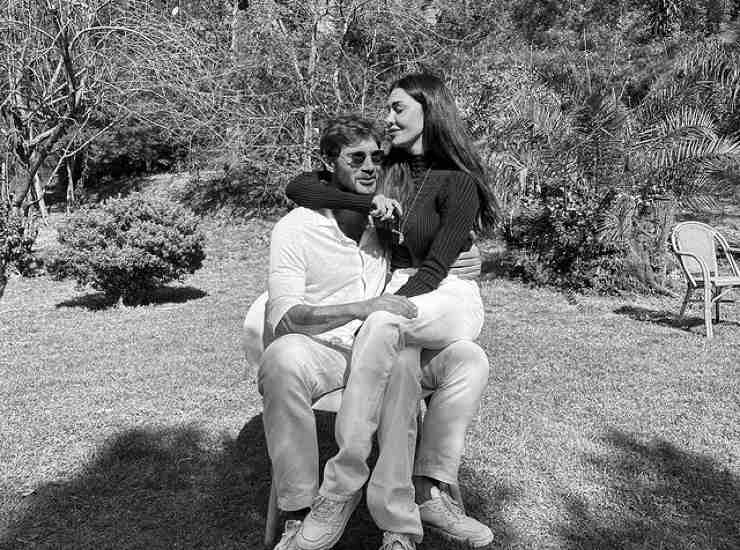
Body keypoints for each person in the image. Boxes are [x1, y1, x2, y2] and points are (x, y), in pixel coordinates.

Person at [253, 115, 491, 550]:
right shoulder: (296, 228)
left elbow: (434, 247)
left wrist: (471, 257)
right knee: (282, 358)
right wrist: (361, 308)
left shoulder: (386, 220)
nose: (368, 167)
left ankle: (424, 493)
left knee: (464, 360)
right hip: (324, 348)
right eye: (356, 158)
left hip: (380, 341)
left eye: (376, 158)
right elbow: (285, 319)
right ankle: (301, 509)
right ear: (328, 163)